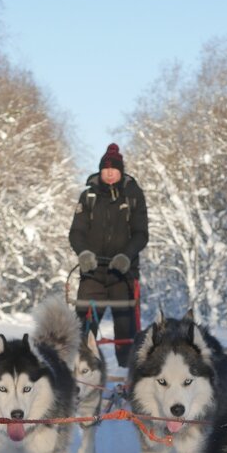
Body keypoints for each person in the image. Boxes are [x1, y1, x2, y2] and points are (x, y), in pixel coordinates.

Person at [69, 143, 149, 367]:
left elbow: (141, 234)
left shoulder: (133, 195)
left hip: (123, 275)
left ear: (121, 171)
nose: (110, 172)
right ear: (100, 171)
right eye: (106, 169)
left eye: (114, 168)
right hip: (92, 273)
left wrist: (126, 256)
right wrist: (83, 253)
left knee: (126, 332)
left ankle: (128, 376)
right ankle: (82, 373)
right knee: (84, 330)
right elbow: (76, 232)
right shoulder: (88, 197)